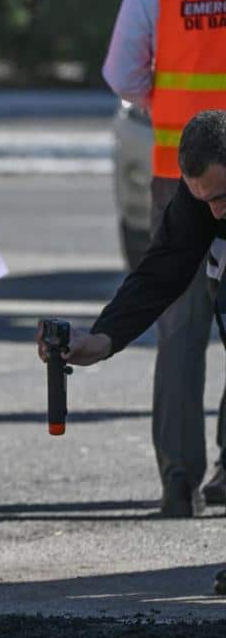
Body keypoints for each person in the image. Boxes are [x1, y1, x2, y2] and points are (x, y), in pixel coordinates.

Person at [101, 0, 226, 516]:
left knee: (179, 325)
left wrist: (162, 103)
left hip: (180, 175)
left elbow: (122, 74)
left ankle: (179, 481)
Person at [38, 111, 226, 513]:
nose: (214, 213)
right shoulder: (203, 198)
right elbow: (162, 271)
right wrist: (103, 338)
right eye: (203, 200)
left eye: (221, 199)